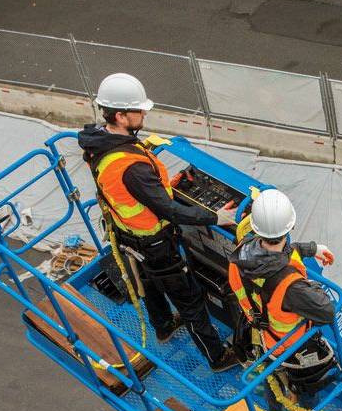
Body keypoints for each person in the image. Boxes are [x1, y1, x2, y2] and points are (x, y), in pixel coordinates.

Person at [78, 72, 240, 372]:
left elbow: (134, 193)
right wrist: (217, 216)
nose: (145, 114)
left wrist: (166, 186)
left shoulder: (100, 144)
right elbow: (170, 210)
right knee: (190, 300)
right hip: (156, 244)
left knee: (149, 281)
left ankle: (163, 325)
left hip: (129, 236)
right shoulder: (131, 167)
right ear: (121, 115)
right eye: (139, 110)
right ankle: (218, 358)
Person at [227, 188, 342, 411]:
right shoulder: (291, 286)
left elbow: (275, 254)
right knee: (307, 388)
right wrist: (308, 287)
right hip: (294, 348)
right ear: (288, 227)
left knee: (275, 384)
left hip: (264, 339)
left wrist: (310, 249)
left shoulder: (239, 257)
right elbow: (326, 310)